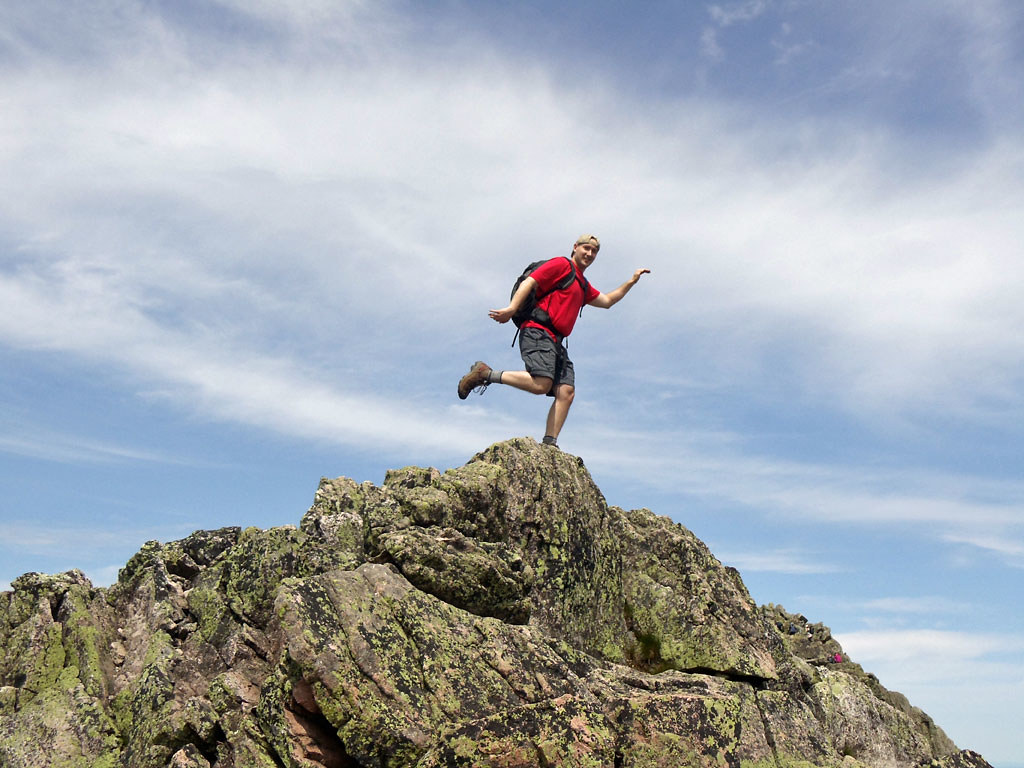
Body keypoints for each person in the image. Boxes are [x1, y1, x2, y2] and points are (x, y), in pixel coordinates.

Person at [457, 234, 650, 447]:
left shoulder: (583, 284)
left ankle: (550, 444)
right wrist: (512, 308)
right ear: (575, 247)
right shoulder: (562, 265)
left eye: (594, 251)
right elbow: (531, 281)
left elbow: (607, 301)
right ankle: (485, 374)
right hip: (538, 330)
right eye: (586, 248)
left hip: (556, 342)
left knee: (566, 391)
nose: (589, 254)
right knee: (542, 383)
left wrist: (632, 281)